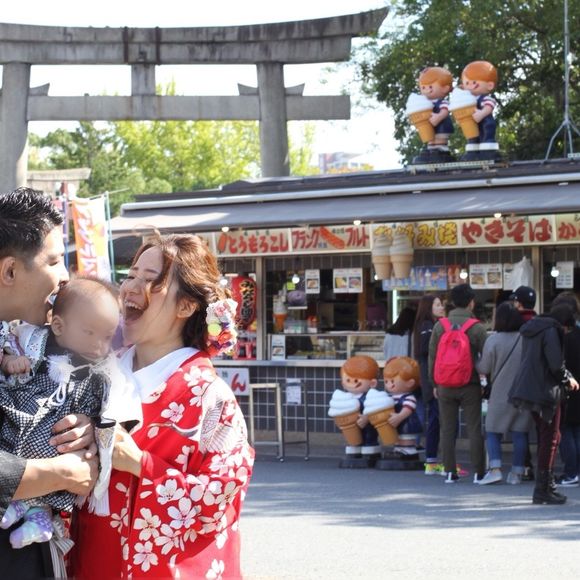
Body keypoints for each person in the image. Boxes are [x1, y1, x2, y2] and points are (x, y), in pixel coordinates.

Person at [70, 233, 255, 578]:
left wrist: (141, 464)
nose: (130, 288)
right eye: (130, 276)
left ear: (185, 306)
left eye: (150, 280)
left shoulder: (210, 397)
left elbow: (218, 500)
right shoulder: (94, 375)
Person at [0, 278, 141, 556]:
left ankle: (41, 514)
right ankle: (18, 502)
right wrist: (9, 360)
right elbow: (9, 344)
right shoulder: (33, 338)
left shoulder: (106, 366)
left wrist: (105, 425)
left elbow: (122, 397)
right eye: (89, 332)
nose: (98, 345)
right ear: (58, 326)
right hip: (25, 412)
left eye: (106, 336)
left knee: (62, 448)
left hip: (61, 433)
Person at [0, 188, 98, 577]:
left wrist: (83, 429)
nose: (66, 276)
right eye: (55, 261)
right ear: (9, 271)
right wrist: (63, 472)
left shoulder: (38, 338)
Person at [509, 304, 579, 505]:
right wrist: (568, 379)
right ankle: (543, 488)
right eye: (567, 329)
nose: (566, 333)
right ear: (563, 324)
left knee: (550, 436)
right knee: (551, 438)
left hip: (528, 388)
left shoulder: (533, 329)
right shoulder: (551, 331)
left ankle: (546, 486)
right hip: (545, 391)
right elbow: (555, 364)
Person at [429, 284, 487, 483]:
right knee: (474, 428)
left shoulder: (440, 326)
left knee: (447, 429)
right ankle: (479, 472)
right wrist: (485, 381)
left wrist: (434, 383)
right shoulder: (477, 327)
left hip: (444, 385)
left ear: (452, 302)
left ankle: (449, 472)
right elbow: (486, 358)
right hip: (470, 384)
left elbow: (432, 357)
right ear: (471, 302)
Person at [476, 302, 532, 485]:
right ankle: (517, 473)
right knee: (520, 433)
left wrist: (475, 360)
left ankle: (495, 469)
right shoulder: (526, 339)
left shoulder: (493, 340)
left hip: (500, 394)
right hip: (523, 393)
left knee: (492, 431)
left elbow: (484, 368)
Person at [412, 295, 445, 473]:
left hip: (430, 378)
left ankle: (432, 460)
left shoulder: (428, 325)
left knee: (435, 419)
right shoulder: (427, 326)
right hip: (431, 379)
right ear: (428, 307)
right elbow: (426, 350)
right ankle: (432, 461)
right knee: (436, 419)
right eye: (437, 305)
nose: (441, 307)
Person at [551, 292, 580, 487]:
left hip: (567, 388)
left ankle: (570, 472)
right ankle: (576, 471)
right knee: (577, 430)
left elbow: (558, 366)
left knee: (566, 430)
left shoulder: (563, 338)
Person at [460, 60, 500, 161]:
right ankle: (473, 152)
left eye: (474, 82)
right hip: (472, 125)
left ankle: (487, 151)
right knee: (472, 137)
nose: (470, 86)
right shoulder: (466, 101)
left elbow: (489, 107)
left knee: (486, 135)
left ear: (489, 85)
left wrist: (481, 113)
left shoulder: (485, 99)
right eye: (467, 83)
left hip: (485, 123)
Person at [383, 356, 423, 457]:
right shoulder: (390, 397)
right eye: (386, 381)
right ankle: (398, 450)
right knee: (397, 437)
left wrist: (400, 416)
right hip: (396, 424)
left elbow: (408, 408)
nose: (389, 385)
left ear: (410, 383)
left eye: (392, 381)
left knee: (406, 437)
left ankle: (408, 451)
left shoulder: (409, 397)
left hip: (407, 423)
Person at [417, 66, 454, 162]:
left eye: (430, 87)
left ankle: (441, 149)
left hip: (442, 124)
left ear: (445, 88)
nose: (427, 90)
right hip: (429, 126)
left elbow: (445, 111)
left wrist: (439, 116)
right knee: (430, 138)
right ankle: (431, 150)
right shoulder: (425, 103)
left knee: (440, 137)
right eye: (423, 87)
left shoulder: (442, 102)